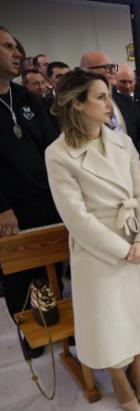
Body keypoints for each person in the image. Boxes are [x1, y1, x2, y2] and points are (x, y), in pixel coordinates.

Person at [46, 69, 140, 411]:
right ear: (77, 104)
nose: (110, 103)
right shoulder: (58, 154)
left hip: (136, 237)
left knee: (139, 313)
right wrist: (122, 249)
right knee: (110, 319)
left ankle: (138, 368)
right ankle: (118, 375)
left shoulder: (122, 140)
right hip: (100, 249)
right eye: (100, 97)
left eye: (109, 95)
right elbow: (75, 217)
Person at [0, 26, 61, 359]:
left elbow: (53, 147)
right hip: (9, 208)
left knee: (52, 268)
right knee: (19, 276)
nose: (17, 53)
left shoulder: (28, 99)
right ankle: (30, 332)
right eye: (8, 47)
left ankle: (56, 320)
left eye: (16, 46)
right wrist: (1, 208)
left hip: (46, 199)